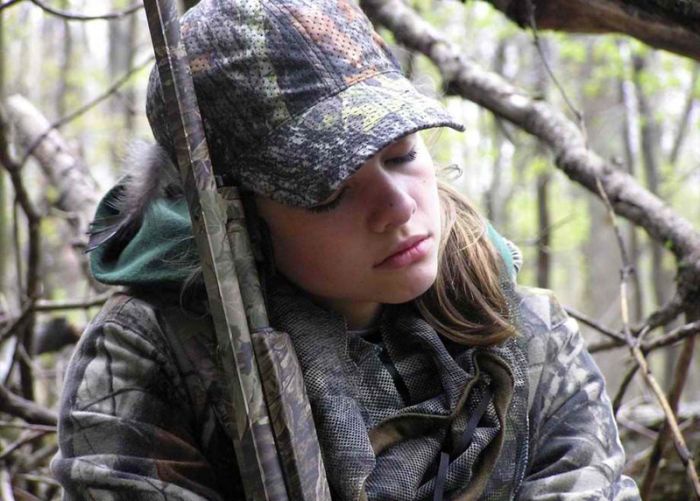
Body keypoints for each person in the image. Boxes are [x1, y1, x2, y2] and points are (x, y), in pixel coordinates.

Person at [51, 0, 641, 499]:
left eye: (402, 155)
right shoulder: (155, 357)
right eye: (331, 190)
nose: (399, 208)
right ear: (235, 219)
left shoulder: (523, 330)